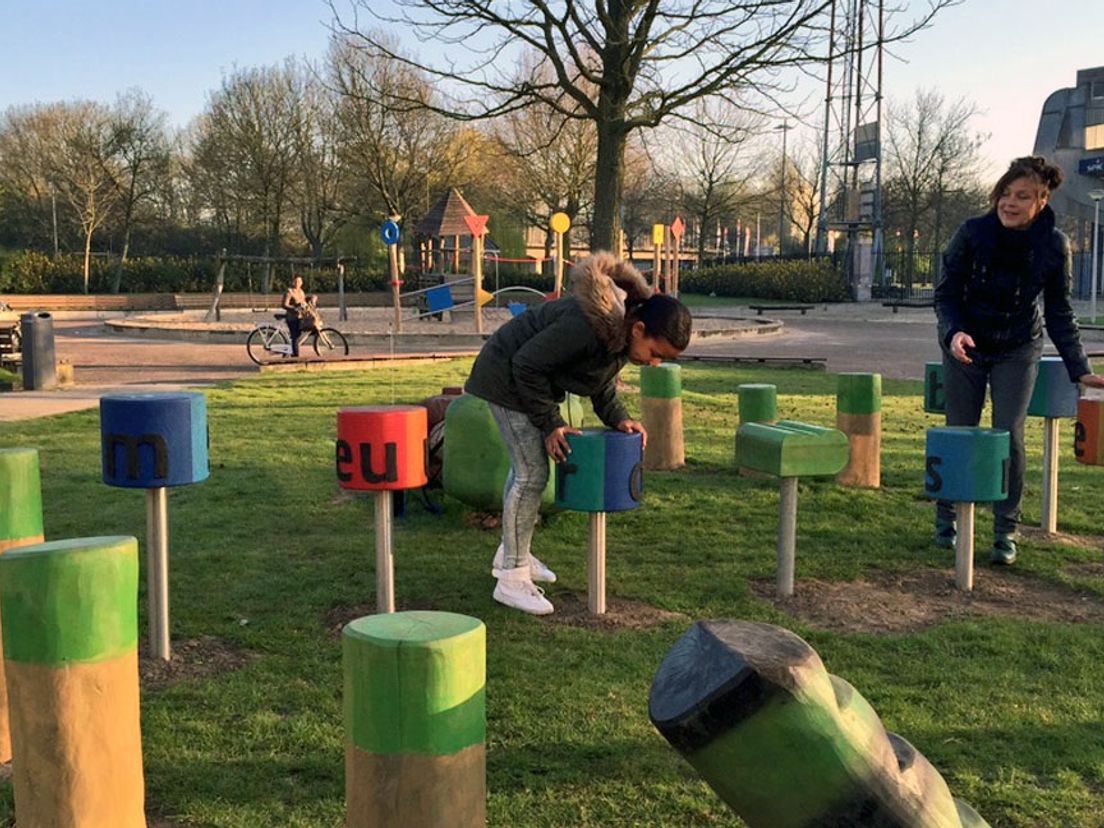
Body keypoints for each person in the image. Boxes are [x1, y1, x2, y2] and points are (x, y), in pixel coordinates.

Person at [465, 251, 692, 615]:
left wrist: (618, 417)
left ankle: (513, 552)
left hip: (522, 379)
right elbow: (526, 365)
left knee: (528, 472)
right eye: (655, 353)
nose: (654, 363)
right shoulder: (587, 325)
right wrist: (551, 423)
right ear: (638, 329)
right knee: (532, 473)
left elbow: (598, 382)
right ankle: (511, 579)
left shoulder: (618, 337)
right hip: (504, 377)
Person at [934, 156, 1104, 564]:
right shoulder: (972, 233)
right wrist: (953, 332)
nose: (1009, 203)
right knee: (960, 431)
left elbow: (1060, 313)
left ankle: (1005, 530)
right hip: (966, 343)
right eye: (1005, 194)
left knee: (1008, 433)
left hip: (1018, 346)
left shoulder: (1054, 245)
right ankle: (947, 520)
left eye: (1021, 196)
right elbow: (946, 294)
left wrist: (1080, 369)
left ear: (1041, 202)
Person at [281, 275, 314, 357]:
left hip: (300, 317)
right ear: (292, 282)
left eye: (299, 281)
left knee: (299, 335)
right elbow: (284, 304)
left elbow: (303, 301)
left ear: (302, 283)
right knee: (295, 337)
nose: (297, 283)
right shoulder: (290, 292)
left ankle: (294, 350)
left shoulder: (301, 291)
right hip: (292, 317)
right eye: (295, 281)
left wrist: (311, 299)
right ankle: (295, 357)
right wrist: (294, 309)